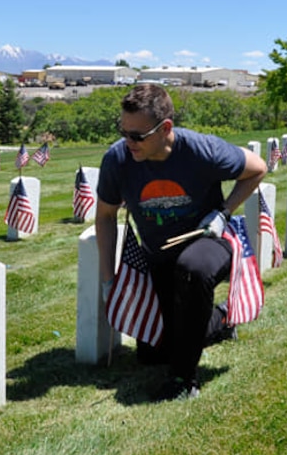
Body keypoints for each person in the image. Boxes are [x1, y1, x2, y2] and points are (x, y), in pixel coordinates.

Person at [95, 83, 267, 402]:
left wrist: (223, 212)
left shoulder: (202, 151)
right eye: (124, 132)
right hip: (159, 256)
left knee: (192, 269)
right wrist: (108, 281)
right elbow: (105, 216)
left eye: (137, 136)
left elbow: (258, 168)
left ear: (166, 129)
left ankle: (183, 380)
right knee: (154, 351)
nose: (128, 142)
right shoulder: (117, 160)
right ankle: (222, 317)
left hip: (210, 242)